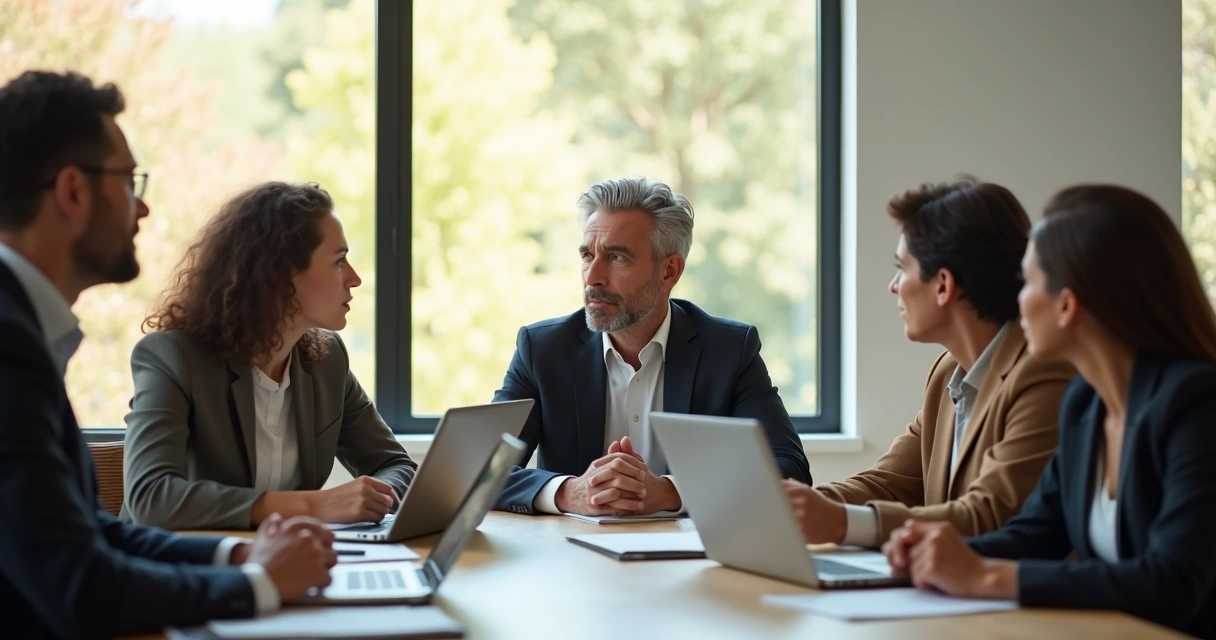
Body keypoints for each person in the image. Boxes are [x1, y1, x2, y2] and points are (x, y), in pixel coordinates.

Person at [0, 70, 336, 638]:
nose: (143, 209)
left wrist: (236, 557)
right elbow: (81, 587)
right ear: (73, 191)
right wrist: (257, 584)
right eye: (130, 182)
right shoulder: (9, 346)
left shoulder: (25, 330)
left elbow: (95, 531)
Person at [882, 185, 1216, 639]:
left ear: (1067, 303)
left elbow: (1171, 582)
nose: (1016, 300)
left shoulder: (1197, 405)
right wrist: (933, 554)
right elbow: (1033, 534)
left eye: (1029, 282)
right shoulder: (1085, 405)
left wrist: (985, 576)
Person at [492, 176, 811, 517]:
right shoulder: (542, 350)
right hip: (569, 558)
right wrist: (568, 492)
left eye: (616, 257)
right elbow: (480, 471)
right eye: (588, 255)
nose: (592, 277)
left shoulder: (730, 351)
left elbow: (790, 471)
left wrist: (673, 491)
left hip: (690, 561)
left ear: (669, 271)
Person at [784, 176, 1074, 546]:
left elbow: (993, 514)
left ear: (943, 285)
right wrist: (790, 506)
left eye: (902, 268)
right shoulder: (948, 372)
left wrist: (842, 522)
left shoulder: (1043, 373)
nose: (893, 286)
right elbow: (889, 484)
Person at [123, 181, 417, 530]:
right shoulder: (173, 357)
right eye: (339, 261)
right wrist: (314, 505)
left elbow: (398, 466)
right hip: (182, 572)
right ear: (281, 275)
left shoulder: (327, 362)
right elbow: (151, 497)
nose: (354, 279)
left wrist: (372, 498)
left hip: (287, 566)